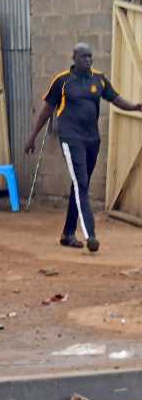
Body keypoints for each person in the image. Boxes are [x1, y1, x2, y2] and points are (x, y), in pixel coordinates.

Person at [26, 41, 142, 253]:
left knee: (81, 185)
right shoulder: (62, 81)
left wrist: (135, 106)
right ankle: (90, 235)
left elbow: (116, 99)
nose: (88, 60)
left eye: (90, 56)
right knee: (81, 184)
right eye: (84, 57)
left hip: (92, 140)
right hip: (71, 139)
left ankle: (67, 234)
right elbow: (46, 111)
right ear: (74, 58)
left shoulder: (99, 79)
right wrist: (32, 136)